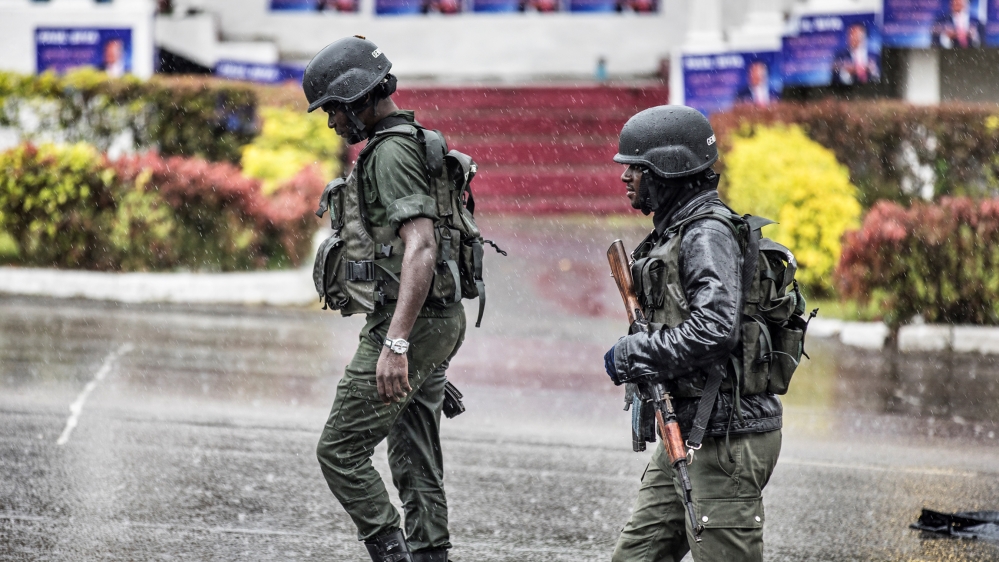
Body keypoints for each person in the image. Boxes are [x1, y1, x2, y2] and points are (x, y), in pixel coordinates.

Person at [305, 36, 466, 562]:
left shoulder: (391, 152)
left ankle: (392, 552)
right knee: (415, 455)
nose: (332, 123)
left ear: (356, 99)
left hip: (412, 324)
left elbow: (421, 245)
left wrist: (399, 344)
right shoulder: (409, 139)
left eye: (333, 109)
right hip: (433, 319)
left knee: (340, 450)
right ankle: (429, 555)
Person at [604, 105, 783, 562]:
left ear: (669, 169)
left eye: (636, 168)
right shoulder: (678, 229)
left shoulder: (706, 234)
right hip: (686, 431)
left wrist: (640, 352)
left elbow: (715, 330)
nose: (626, 178)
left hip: (726, 439)